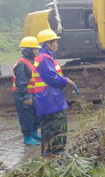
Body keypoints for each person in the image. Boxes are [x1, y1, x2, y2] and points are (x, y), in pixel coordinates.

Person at [33, 29, 76, 157]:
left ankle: (48, 153)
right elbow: (51, 77)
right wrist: (66, 81)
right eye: (55, 42)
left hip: (47, 98)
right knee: (57, 125)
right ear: (48, 43)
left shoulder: (43, 57)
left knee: (48, 127)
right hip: (51, 98)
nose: (57, 45)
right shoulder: (45, 58)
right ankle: (57, 153)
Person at [12, 36, 42, 146]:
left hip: (34, 93)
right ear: (28, 50)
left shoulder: (33, 61)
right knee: (26, 116)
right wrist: (25, 96)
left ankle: (34, 133)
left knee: (35, 115)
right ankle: (27, 137)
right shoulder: (22, 64)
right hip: (23, 94)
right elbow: (21, 82)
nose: (37, 50)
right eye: (35, 48)